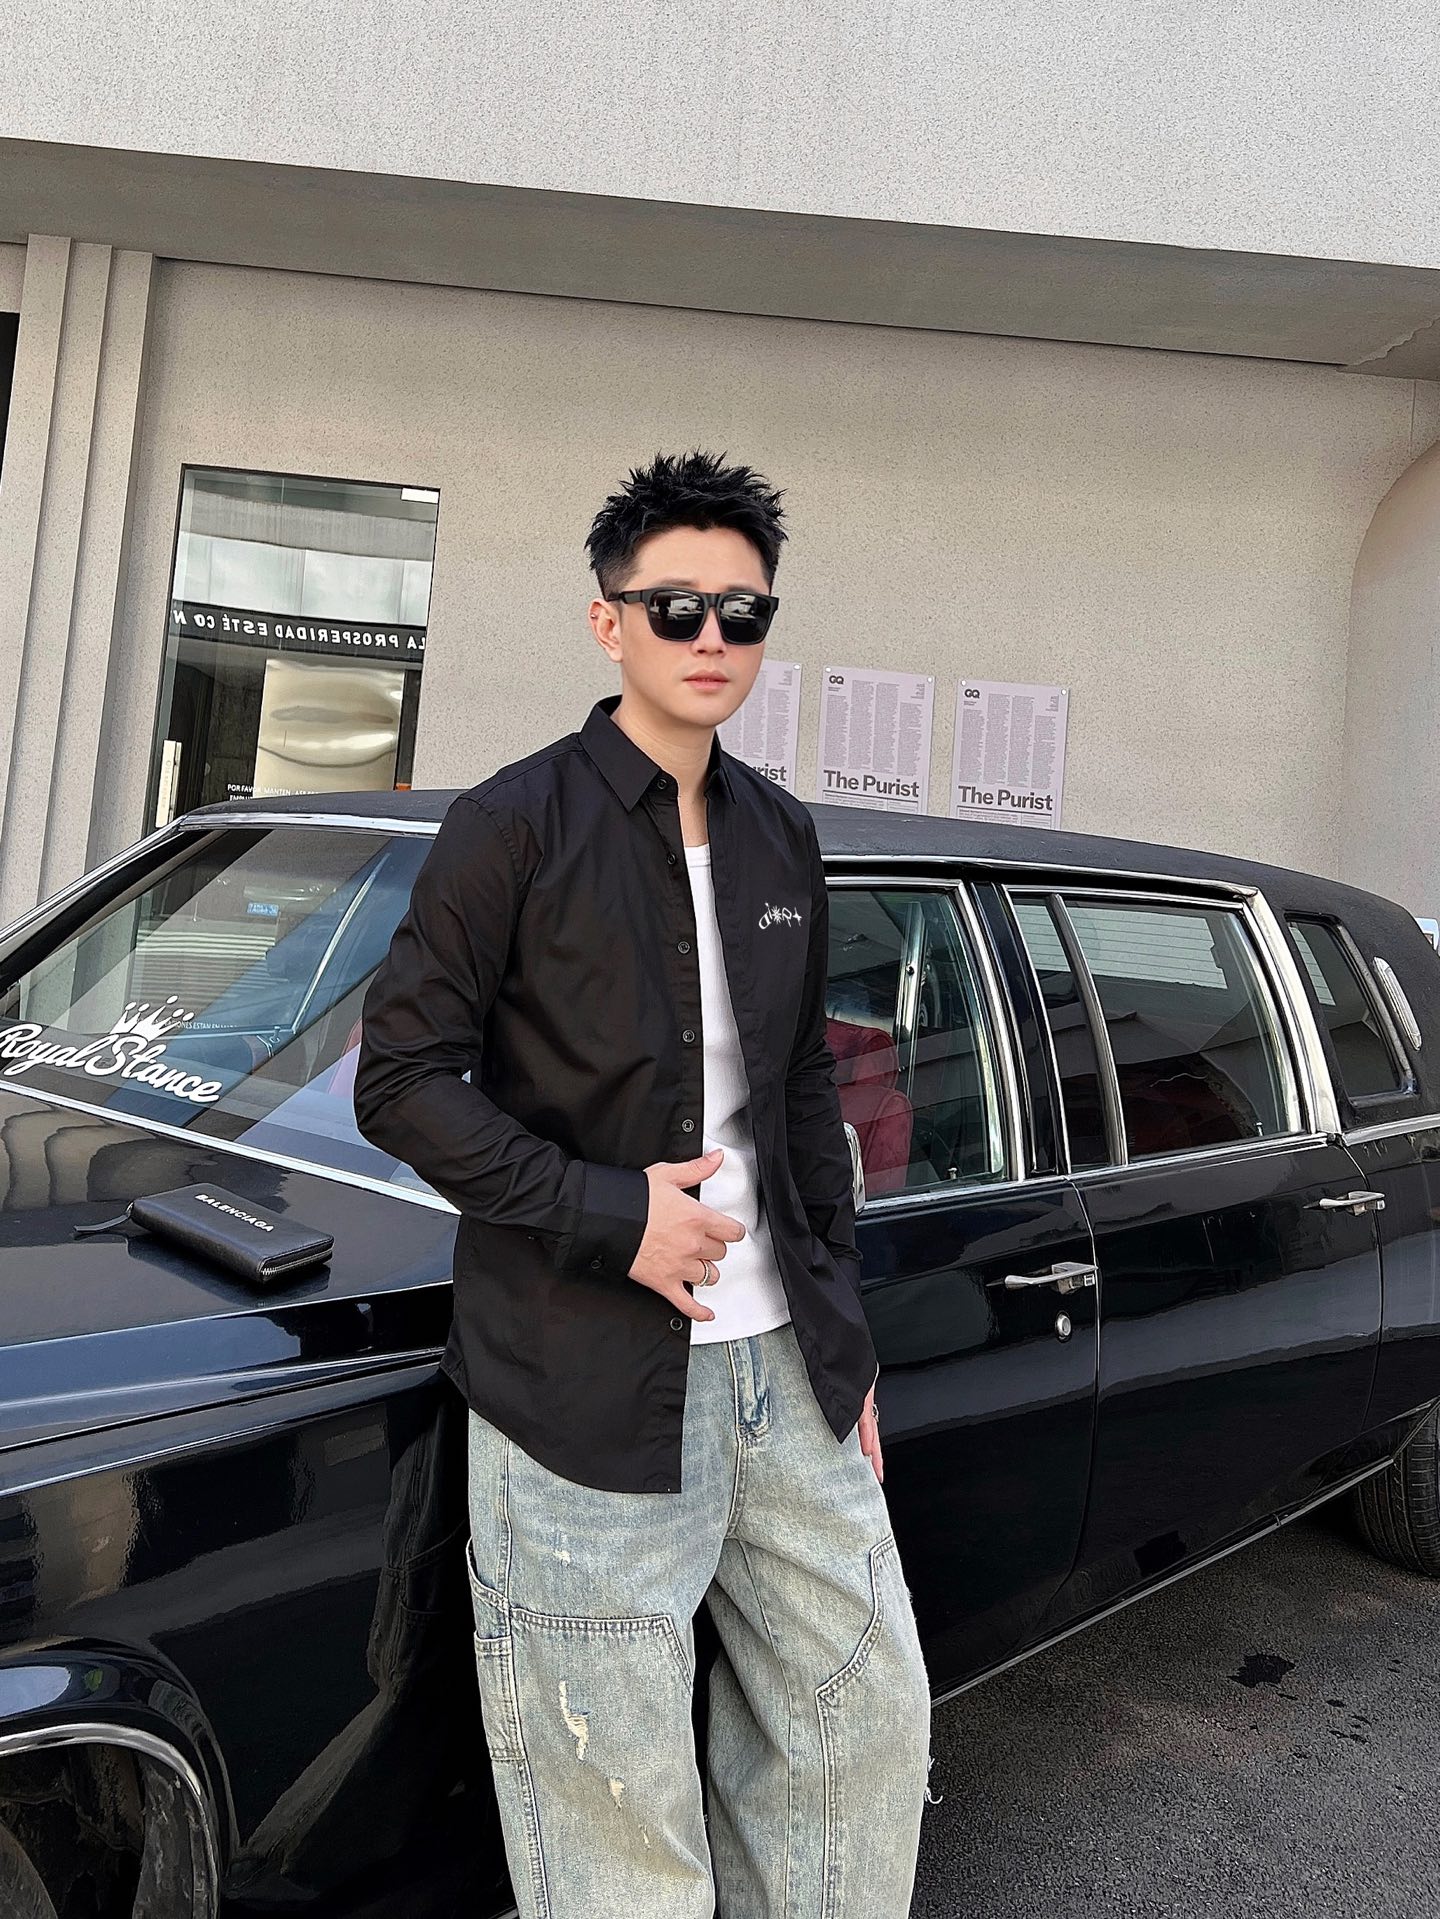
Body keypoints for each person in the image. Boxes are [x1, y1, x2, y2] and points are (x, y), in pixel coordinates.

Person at [352, 449, 933, 1917]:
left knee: (862, 1723)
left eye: (744, 612)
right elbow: (401, 1081)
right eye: (677, 607)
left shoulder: (782, 834)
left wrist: (845, 1343)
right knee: (613, 1802)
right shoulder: (513, 825)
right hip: (579, 1377)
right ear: (607, 621)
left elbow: (801, 1096)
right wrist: (614, 1217)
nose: (712, 638)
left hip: (786, 1371)